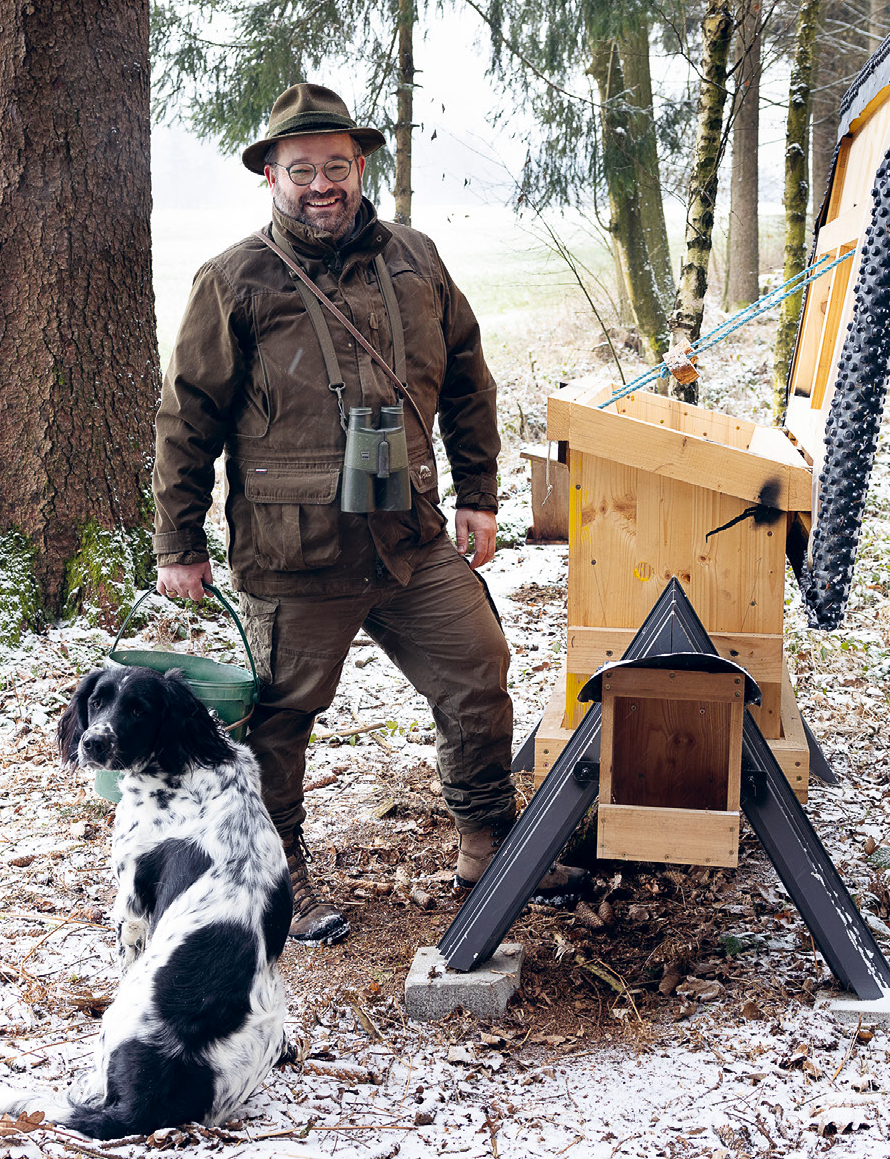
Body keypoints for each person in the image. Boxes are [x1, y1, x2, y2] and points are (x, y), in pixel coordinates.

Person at [152, 83, 582, 946]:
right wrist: (179, 540)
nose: (322, 184)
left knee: (477, 666)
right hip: (294, 551)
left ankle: (485, 837)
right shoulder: (233, 282)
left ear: (361, 168)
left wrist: (480, 493)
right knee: (278, 718)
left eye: (337, 166)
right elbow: (187, 415)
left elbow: (468, 380)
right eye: (301, 169)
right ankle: (277, 874)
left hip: (410, 536)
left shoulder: (417, 262)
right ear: (269, 175)